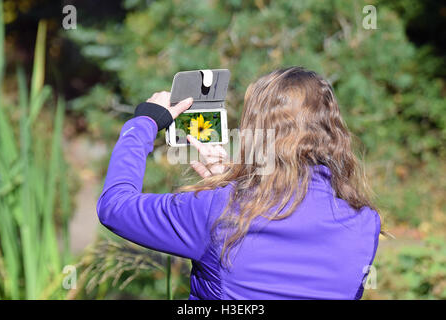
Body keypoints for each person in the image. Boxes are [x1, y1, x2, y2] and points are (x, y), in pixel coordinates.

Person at [97, 66, 381, 300]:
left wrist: (144, 123)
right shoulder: (365, 223)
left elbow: (115, 206)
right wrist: (240, 183)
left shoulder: (218, 211)